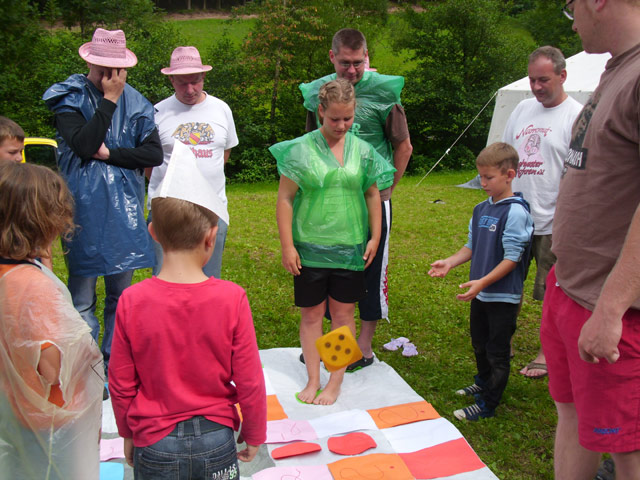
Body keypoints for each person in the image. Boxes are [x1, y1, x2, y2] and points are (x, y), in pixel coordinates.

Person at [109, 142, 266, 478]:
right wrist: (254, 431)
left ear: (153, 233)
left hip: (154, 439)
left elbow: (121, 381)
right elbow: (249, 378)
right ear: (212, 237)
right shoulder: (232, 298)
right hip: (216, 436)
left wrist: (127, 432)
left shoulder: (132, 300)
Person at [541, 1, 640, 478]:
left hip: (610, 305)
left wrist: (611, 308)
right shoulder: (617, 69)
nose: (573, 18)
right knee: (573, 415)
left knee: (627, 447)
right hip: (569, 286)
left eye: (571, 6)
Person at [42, 28, 163, 380]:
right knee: (82, 299)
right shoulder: (69, 96)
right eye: (102, 69)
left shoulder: (137, 103)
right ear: (89, 64)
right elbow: (83, 144)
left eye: (116, 70)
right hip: (82, 211)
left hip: (124, 214)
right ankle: (87, 371)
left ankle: (114, 367)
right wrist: (109, 101)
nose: (110, 76)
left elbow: (152, 154)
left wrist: (110, 153)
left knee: (120, 299)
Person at [272, 78, 396, 405]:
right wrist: (287, 246)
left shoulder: (363, 151)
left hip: (349, 248)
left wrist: (375, 236)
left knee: (343, 316)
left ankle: (335, 381)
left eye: (348, 118)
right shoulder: (300, 150)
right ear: (321, 111)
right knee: (311, 316)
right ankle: (313, 378)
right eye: (334, 119)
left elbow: (373, 194)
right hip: (309, 248)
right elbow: (285, 199)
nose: (341, 126)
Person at [299, 28, 413, 371]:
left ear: (367, 57)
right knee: (331, 266)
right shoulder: (318, 94)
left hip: (371, 200)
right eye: (345, 63)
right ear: (332, 57)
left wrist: (387, 188)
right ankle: (334, 344)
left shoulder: (383, 93)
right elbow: (310, 144)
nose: (352, 70)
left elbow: (403, 146)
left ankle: (363, 345)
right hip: (331, 201)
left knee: (369, 267)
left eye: (358, 62)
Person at [0, 162, 103, 479]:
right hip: (50, 417)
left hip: (12, 408)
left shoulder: (10, 272)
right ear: (45, 221)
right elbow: (50, 368)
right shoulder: (35, 287)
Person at [429, 143, 533, 421]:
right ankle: (483, 382)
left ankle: (488, 404)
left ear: (509, 175)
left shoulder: (516, 212)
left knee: (497, 352)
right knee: (480, 344)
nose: (482, 183)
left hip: (503, 296)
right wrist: (450, 262)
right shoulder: (480, 209)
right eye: (480, 177)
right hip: (481, 293)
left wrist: (483, 282)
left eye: (489, 177)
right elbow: (471, 245)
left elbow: (512, 258)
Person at [502, 46, 583, 379]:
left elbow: (582, 173)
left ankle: (546, 354)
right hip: (516, 216)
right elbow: (505, 157)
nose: (536, 87)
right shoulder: (522, 109)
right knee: (507, 284)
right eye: (532, 80)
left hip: (554, 221)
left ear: (562, 76)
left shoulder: (577, 116)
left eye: (543, 80)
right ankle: (503, 342)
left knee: (552, 293)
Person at [149, 46, 238, 278]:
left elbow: (224, 153)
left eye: (195, 81)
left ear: (204, 76)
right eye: (182, 83)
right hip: (167, 211)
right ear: (171, 80)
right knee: (166, 279)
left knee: (208, 279)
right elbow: (150, 164)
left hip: (212, 209)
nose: (190, 89)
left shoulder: (221, 109)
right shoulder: (157, 112)